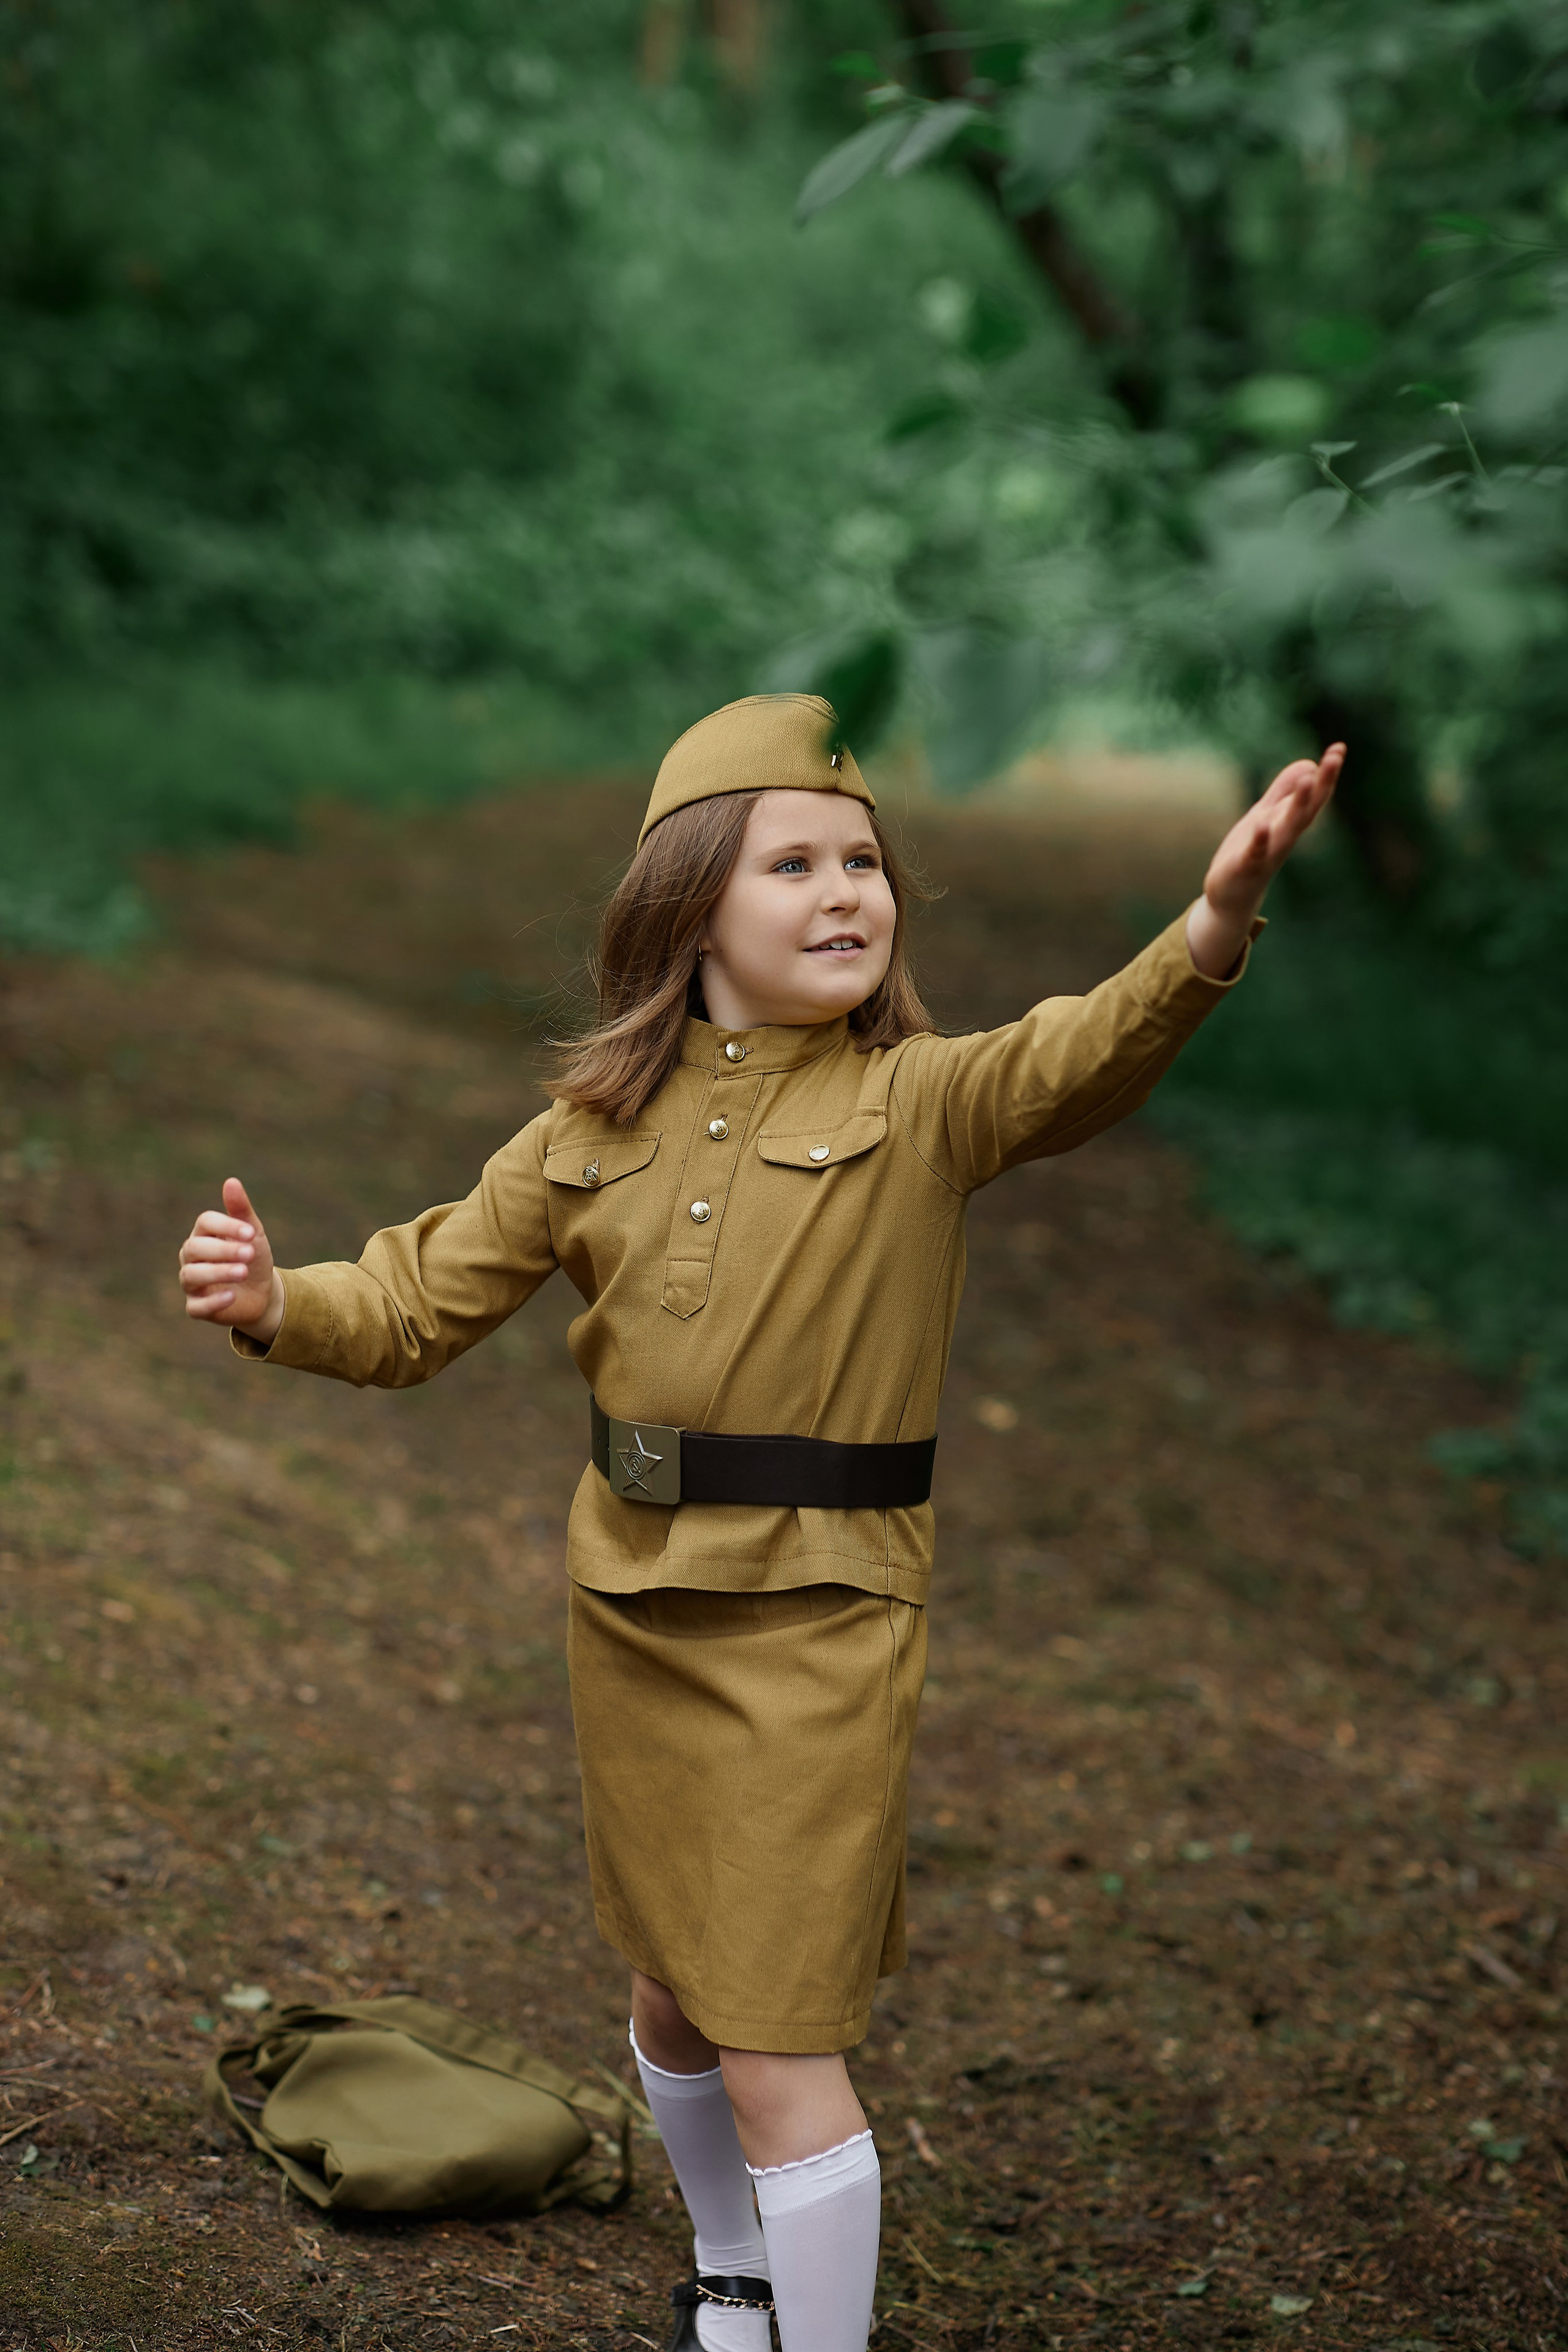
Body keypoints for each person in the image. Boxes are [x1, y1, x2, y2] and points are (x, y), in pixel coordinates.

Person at [177, 694, 1341, 2352]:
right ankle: (732, 2273)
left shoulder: (925, 1104)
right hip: (634, 1605)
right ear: (687, 905)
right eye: (794, 861)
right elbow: (414, 1302)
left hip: (821, 1615)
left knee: (782, 2026)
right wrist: (271, 1297)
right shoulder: (588, 1136)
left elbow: (1082, 1056)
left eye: (862, 859)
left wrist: (1211, 923)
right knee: (670, 1983)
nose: (846, 889)